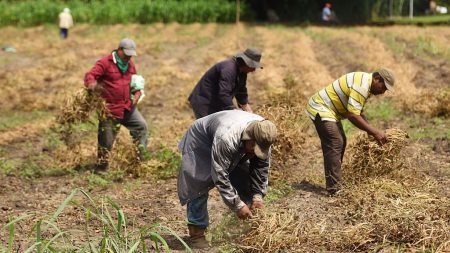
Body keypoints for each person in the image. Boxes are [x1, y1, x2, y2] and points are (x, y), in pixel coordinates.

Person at [177, 110, 277, 248]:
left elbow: (261, 170)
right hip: (201, 141)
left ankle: (244, 227)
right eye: (254, 147)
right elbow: (220, 175)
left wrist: (258, 196)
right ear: (249, 139)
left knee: (244, 177)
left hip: (230, 139)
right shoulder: (226, 138)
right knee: (198, 184)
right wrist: (237, 205)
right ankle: (197, 234)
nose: (255, 151)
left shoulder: (264, 135)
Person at [305, 68, 395, 195]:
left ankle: (335, 182)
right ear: (376, 79)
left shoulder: (366, 83)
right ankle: (334, 188)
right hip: (321, 107)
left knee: (341, 141)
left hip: (330, 111)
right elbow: (353, 116)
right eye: (383, 87)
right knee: (335, 142)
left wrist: (371, 131)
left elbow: (358, 112)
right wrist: (375, 132)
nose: (383, 92)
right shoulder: (362, 86)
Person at [84, 38, 148, 173]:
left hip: (127, 107)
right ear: (119, 50)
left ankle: (139, 161)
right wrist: (92, 84)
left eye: (131, 54)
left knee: (141, 126)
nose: (129, 57)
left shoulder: (130, 65)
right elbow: (90, 75)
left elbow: (135, 83)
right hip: (110, 109)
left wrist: (137, 93)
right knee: (106, 140)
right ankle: (101, 168)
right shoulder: (105, 63)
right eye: (126, 54)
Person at [188, 48, 263, 119]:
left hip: (216, 102)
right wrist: (233, 111)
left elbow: (241, 91)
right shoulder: (229, 69)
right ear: (247, 63)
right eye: (253, 66)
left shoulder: (242, 73)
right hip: (204, 101)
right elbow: (224, 93)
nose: (254, 70)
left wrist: (246, 108)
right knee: (208, 128)